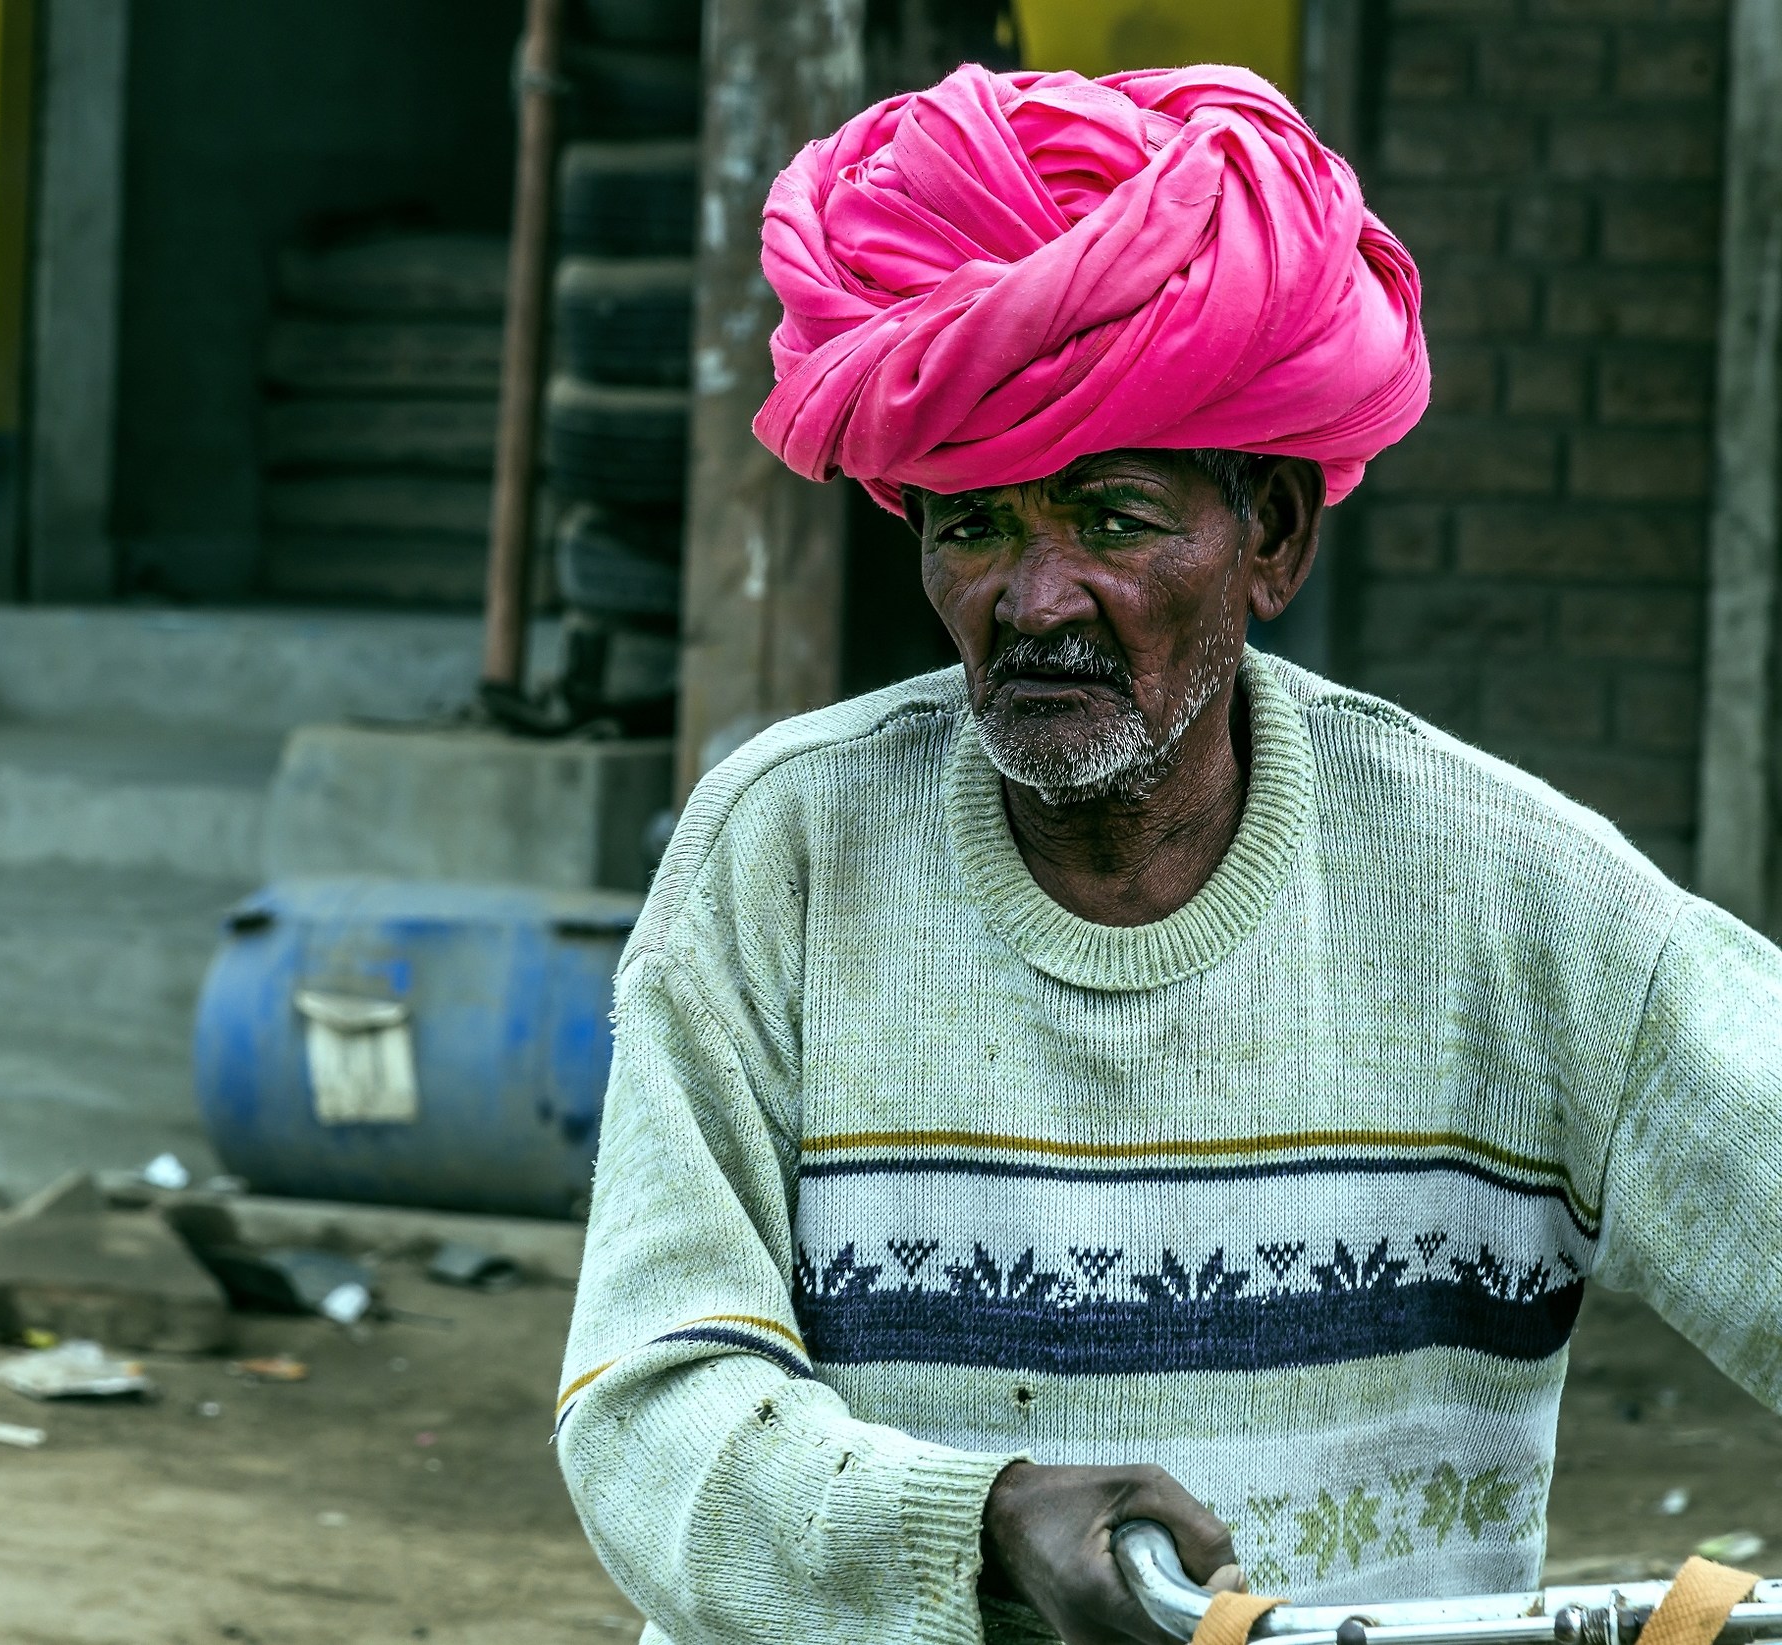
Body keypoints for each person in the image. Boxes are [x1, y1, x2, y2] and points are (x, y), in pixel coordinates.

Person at [554, 60, 1782, 1645]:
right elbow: (649, 1408)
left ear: (1272, 534)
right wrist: (974, 1526)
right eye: (974, 525)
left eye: (1115, 520)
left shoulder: (1511, 892)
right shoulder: (778, 856)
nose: (1036, 597)